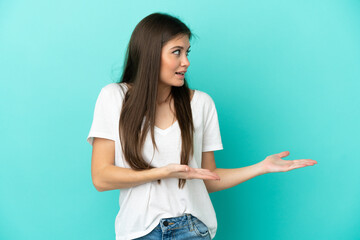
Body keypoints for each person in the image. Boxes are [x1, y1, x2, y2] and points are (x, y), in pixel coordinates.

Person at [86, 12, 318, 240]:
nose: (186, 62)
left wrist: (261, 167)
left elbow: (208, 177)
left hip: (192, 229)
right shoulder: (114, 97)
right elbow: (101, 177)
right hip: (138, 231)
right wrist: (162, 172)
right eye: (176, 52)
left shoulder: (201, 103)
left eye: (187, 52)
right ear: (150, 54)